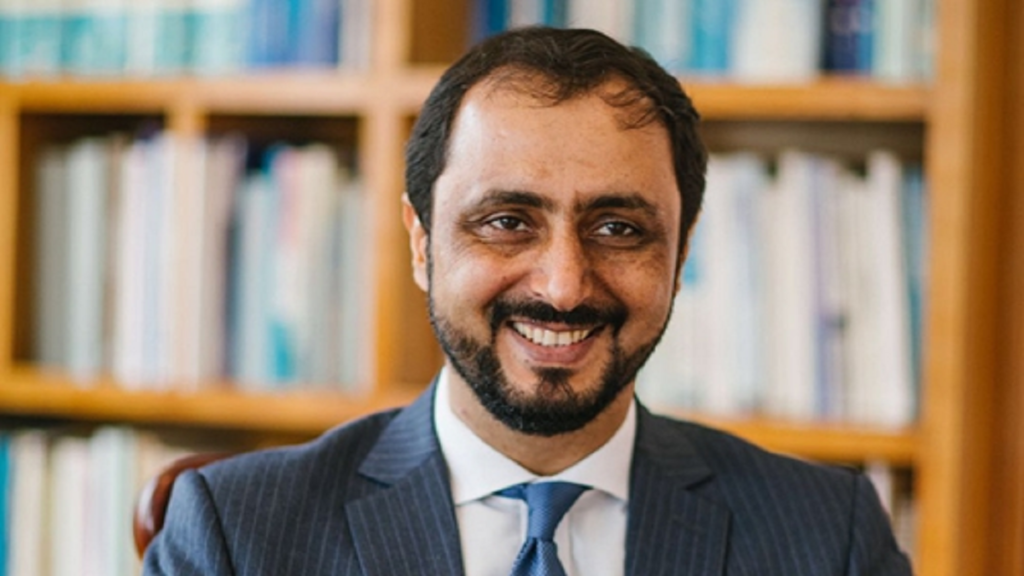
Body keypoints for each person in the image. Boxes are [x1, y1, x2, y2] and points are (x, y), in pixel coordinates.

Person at [144, 27, 912, 575]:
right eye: (507, 222)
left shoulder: (827, 537)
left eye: (618, 228)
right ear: (422, 243)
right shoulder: (237, 533)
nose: (563, 285)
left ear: (681, 254)